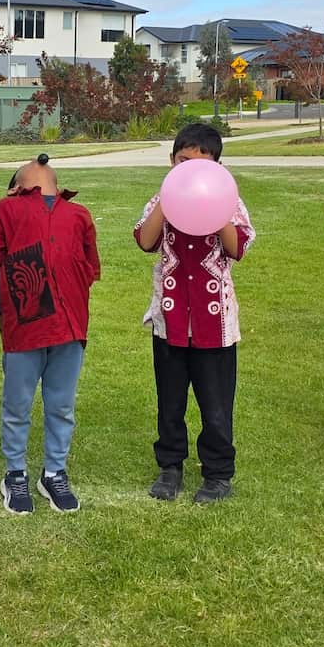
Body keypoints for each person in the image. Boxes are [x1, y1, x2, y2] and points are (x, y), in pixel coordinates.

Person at [135, 123, 255, 504]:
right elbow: (145, 240)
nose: (189, 170)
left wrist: (215, 207)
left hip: (214, 324)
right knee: (170, 401)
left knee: (216, 403)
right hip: (170, 322)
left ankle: (218, 472)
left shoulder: (230, 201)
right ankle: (170, 467)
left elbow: (238, 248)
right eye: (182, 161)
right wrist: (170, 201)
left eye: (199, 165)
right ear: (171, 161)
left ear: (217, 167)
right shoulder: (162, 199)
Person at [0, 153, 100, 514]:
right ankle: (15, 474)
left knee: (61, 404)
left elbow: (90, 266)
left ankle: (54, 472)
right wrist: (9, 320)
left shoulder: (78, 215)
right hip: (25, 328)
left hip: (68, 327)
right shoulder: (7, 211)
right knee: (18, 405)